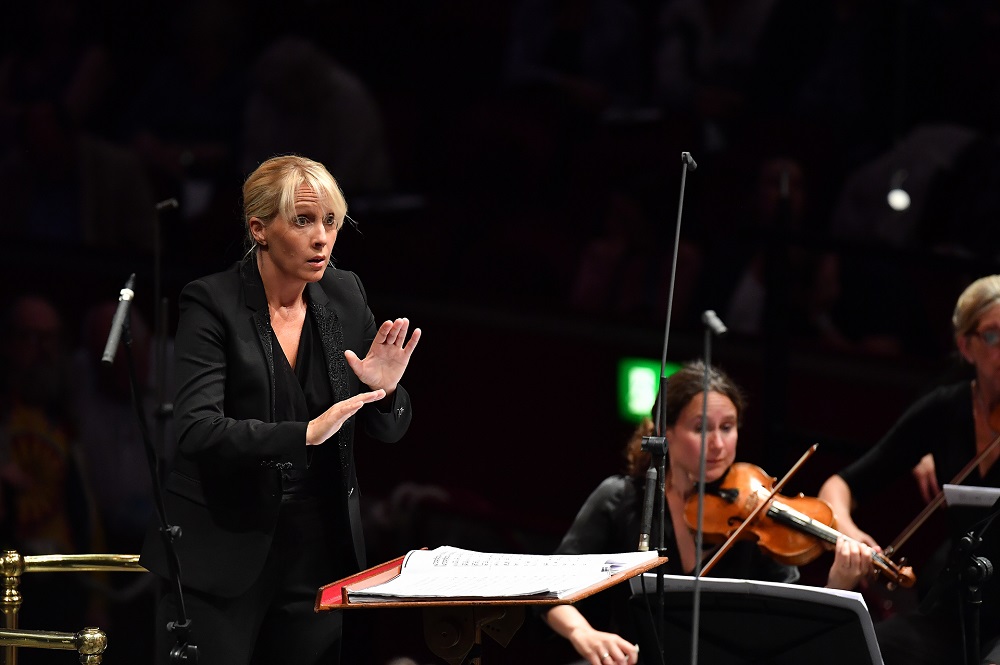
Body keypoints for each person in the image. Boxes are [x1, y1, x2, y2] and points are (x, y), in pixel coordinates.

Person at [138, 154, 421, 665]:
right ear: (259, 229)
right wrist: (305, 434)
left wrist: (385, 391)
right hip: (223, 549)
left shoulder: (344, 293)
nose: (322, 238)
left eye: (330, 222)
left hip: (316, 550)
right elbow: (197, 430)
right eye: (303, 221)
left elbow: (389, 429)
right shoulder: (211, 302)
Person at [542, 360, 873, 665]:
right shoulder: (621, 498)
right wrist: (582, 633)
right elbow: (550, 591)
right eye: (702, 429)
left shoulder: (759, 516)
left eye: (727, 427)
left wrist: (839, 583)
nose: (718, 444)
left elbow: (793, 628)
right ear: (665, 432)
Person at [818, 274, 1000, 665]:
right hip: (955, 608)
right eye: (992, 335)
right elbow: (839, 485)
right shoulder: (946, 409)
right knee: (860, 649)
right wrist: (851, 534)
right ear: (966, 347)